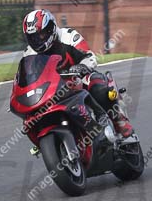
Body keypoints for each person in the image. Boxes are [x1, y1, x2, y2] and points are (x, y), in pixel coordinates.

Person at [21, 9, 133, 137]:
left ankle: (118, 120)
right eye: (32, 37)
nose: (37, 40)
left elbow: (89, 56)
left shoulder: (68, 36)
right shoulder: (29, 53)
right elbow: (27, 76)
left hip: (78, 79)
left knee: (96, 85)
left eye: (40, 35)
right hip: (52, 89)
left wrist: (81, 67)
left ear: (50, 28)